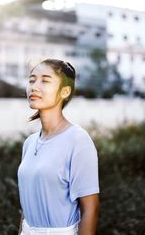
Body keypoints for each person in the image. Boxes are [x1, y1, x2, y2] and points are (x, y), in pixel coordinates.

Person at [17, 58, 100, 235]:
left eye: (45, 80)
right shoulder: (30, 143)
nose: (34, 87)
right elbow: (26, 207)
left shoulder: (78, 140)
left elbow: (90, 210)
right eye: (32, 80)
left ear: (65, 91)